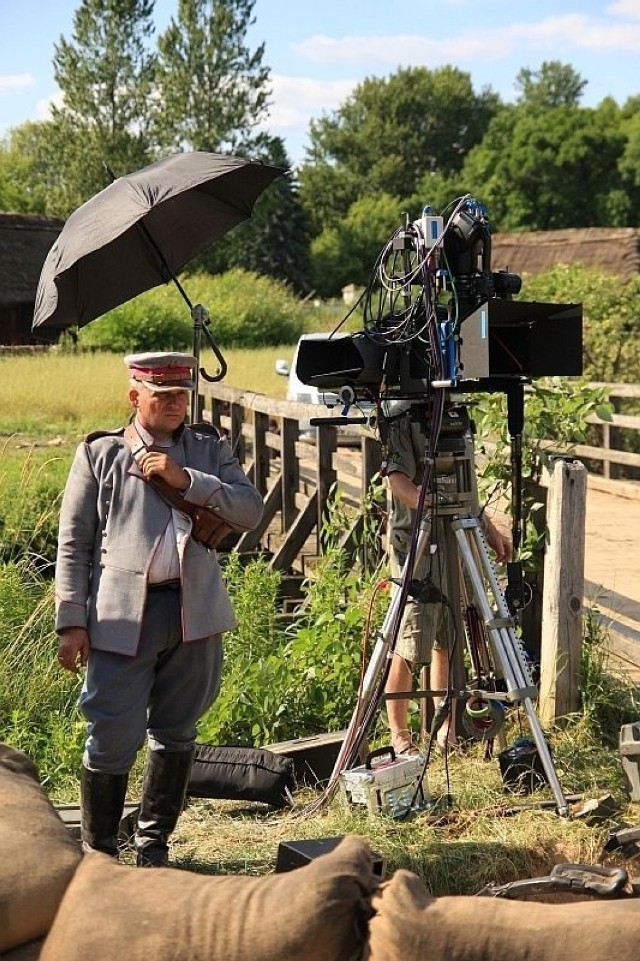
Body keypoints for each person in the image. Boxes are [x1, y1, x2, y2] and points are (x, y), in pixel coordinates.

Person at [55, 351, 264, 867]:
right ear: (135, 396)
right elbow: (74, 544)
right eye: (162, 395)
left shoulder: (207, 447)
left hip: (194, 614)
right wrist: (71, 622)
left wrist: (187, 479)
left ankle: (153, 849)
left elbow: (250, 508)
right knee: (111, 736)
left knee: (177, 732)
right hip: (124, 619)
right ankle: (100, 856)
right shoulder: (101, 454)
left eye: (181, 395)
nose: (174, 404)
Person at [382, 400, 511, 756]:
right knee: (410, 644)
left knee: (449, 642)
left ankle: (446, 730)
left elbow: (467, 492)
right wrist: (427, 500)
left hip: (455, 541)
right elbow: (396, 480)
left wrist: (490, 530)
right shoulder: (403, 419)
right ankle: (401, 736)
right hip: (418, 548)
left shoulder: (459, 418)